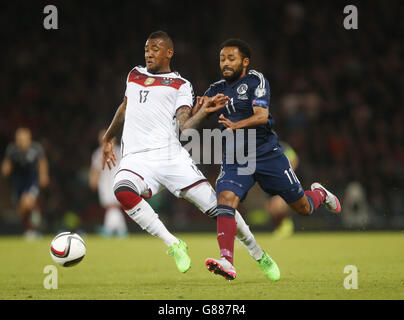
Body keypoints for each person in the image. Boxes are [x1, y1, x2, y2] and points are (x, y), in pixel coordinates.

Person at [102, 31, 279, 280]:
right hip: (136, 158)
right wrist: (109, 137)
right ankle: (174, 244)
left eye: (155, 49)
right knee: (121, 190)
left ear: (169, 53)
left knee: (220, 209)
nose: (149, 53)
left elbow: (185, 125)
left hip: (170, 158)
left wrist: (204, 112)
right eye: (146, 49)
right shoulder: (134, 74)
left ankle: (258, 253)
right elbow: (125, 105)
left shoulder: (180, 85)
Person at [187, 39, 341, 280]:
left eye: (231, 59)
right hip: (237, 156)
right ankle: (227, 260)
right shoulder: (214, 89)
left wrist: (236, 125)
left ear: (245, 62)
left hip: (267, 154)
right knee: (225, 200)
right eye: (222, 59)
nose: (225, 63)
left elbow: (262, 115)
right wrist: (202, 111)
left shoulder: (256, 81)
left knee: (302, 208)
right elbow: (189, 126)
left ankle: (320, 194)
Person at [1, 127, 50, 239]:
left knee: (27, 202)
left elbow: (42, 162)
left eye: (23, 138)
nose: (21, 141)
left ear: (29, 138)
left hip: (32, 181)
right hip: (17, 183)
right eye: (19, 138)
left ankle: (35, 228)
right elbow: (6, 166)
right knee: (22, 209)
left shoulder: (36, 148)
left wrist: (43, 175)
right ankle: (30, 229)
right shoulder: (12, 150)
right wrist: (5, 170)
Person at [89, 129, 128, 237]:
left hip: (116, 181)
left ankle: (111, 230)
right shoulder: (98, 153)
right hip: (106, 182)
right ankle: (119, 230)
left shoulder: (119, 151)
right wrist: (94, 181)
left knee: (113, 206)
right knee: (112, 206)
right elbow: (95, 170)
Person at [265, 141, 298, 238]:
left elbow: (294, 158)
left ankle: (287, 226)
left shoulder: (280, 146)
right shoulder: (260, 149)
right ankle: (280, 228)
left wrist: (287, 172)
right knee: (270, 208)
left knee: (278, 204)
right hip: (269, 182)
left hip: (283, 181)